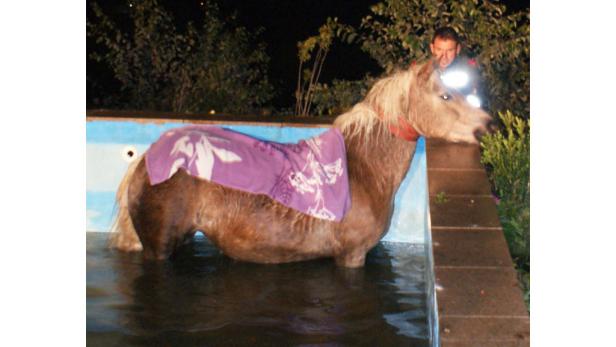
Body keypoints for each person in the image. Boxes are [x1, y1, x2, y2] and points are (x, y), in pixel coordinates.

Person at [429, 27, 482, 108]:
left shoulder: (465, 70)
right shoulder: (424, 72)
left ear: (457, 49)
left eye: (450, 50)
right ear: (432, 48)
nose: (444, 56)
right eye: (439, 50)